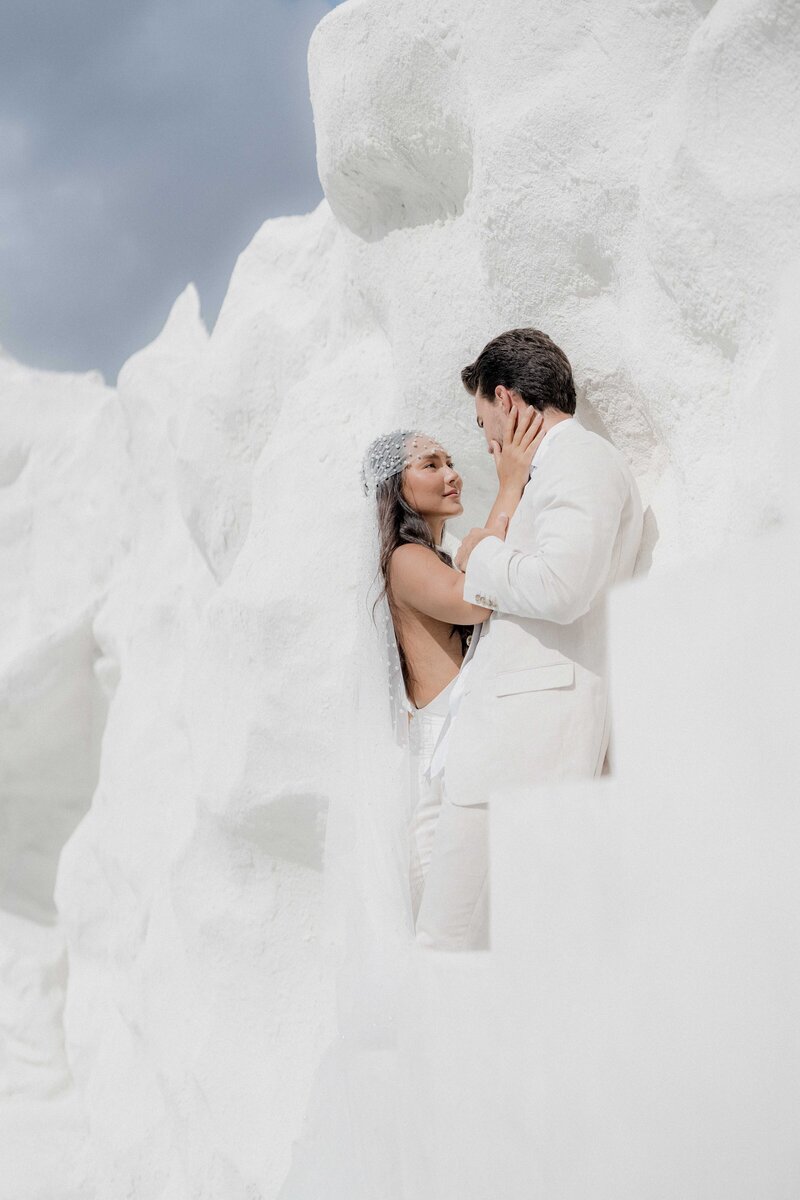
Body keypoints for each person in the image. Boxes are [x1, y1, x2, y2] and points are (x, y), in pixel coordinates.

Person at [415, 328, 644, 951]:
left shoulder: (581, 459)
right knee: (481, 951)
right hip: (512, 748)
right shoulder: (550, 472)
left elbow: (564, 585)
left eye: (482, 417)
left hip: (527, 748)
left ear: (509, 401)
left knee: (444, 946)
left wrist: (479, 554)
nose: (484, 438)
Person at [361, 418, 542, 918]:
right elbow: (477, 599)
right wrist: (509, 487)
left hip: (463, 759)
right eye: (431, 464)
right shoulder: (403, 558)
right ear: (397, 488)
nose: (451, 474)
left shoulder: (432, 556)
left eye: (451, 463)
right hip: (440, 775)